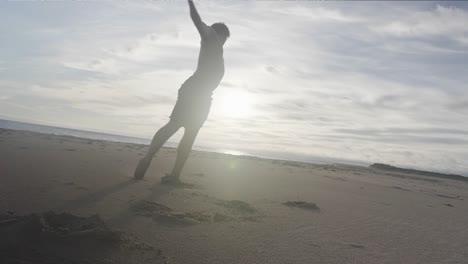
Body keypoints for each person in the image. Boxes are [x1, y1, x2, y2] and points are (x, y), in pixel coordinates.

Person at [134, 0, 230, 183]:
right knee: (173, 126)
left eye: (226, 38)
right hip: (193, 92)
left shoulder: (217, 49)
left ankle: (175, 175)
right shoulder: (210, 36)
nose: (224, 40)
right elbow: (196, 20)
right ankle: (147, 159)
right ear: (219, 33)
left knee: (191, 133)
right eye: (224, 36)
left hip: (204, 96)